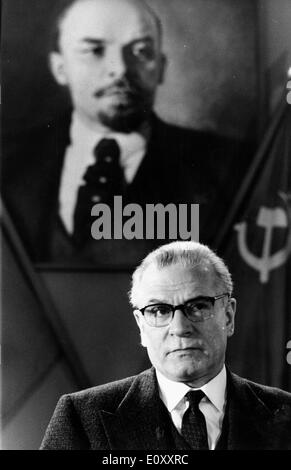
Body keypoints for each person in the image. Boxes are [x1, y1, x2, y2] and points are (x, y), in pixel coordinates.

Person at [1, 0, 251, 265]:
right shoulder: (9, 162)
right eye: (94, 50)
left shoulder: (231, 170)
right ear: (60, 68)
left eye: (141, 51)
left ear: (161, 67)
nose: (119, 69)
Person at [40, 241, 291, 450]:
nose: (180, 327)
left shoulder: (285, 414)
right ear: (141, 326)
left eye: (198, 306)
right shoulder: (83, 419)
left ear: (228, 315)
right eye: (159, 310)